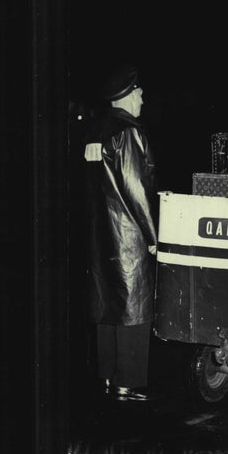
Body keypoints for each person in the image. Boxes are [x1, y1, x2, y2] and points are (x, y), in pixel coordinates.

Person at [83, 64, 157, 401]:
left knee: (106, 305)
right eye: (138, 91)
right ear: (126, 96)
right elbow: (136, 189)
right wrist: (154, 237)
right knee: (133, 307)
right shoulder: (128, 132)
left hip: (101, 233)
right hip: (128, 235)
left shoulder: (97, 129)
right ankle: (127, 381)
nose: (142, 96)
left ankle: (107, 377)